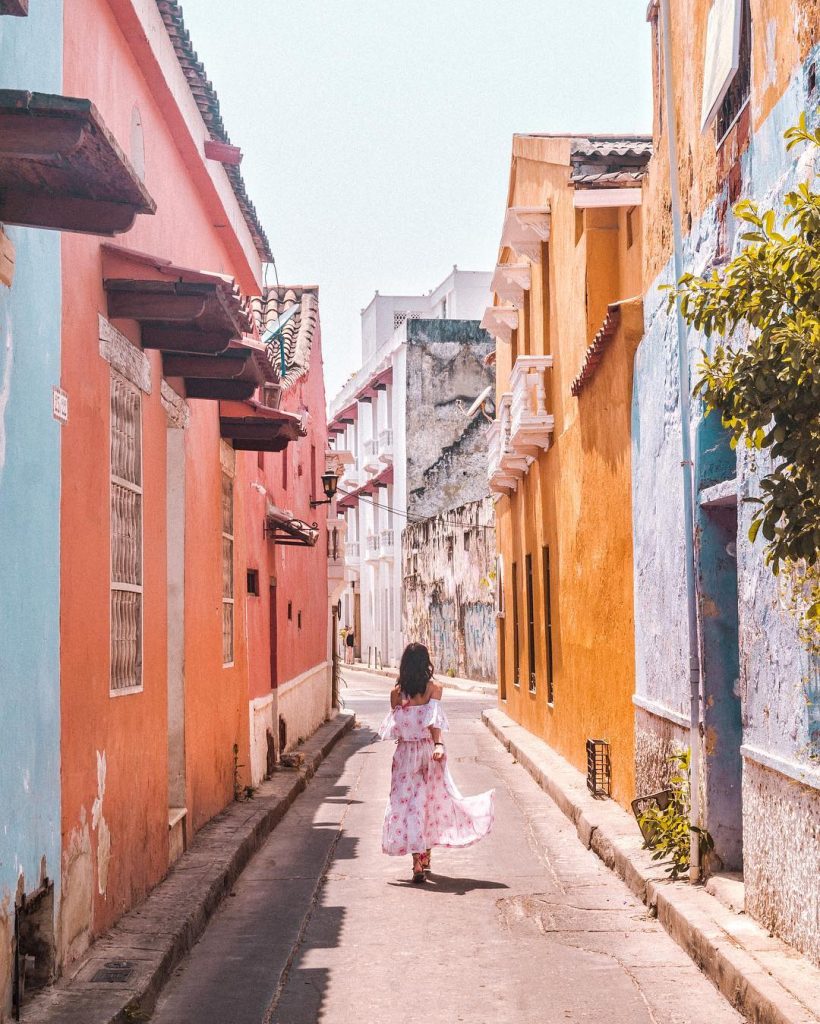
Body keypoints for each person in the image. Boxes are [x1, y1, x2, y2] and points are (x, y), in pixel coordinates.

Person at [378, 642, 494, 882]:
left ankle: (419, 862)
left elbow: (397, 728)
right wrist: (438, 745)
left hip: (404, 756)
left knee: (408, 805)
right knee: (426, 804)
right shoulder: (434, 690)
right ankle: (424, 858)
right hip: (428, 752)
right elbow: (433, 723)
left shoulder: (396, 695)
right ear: (425, 664)